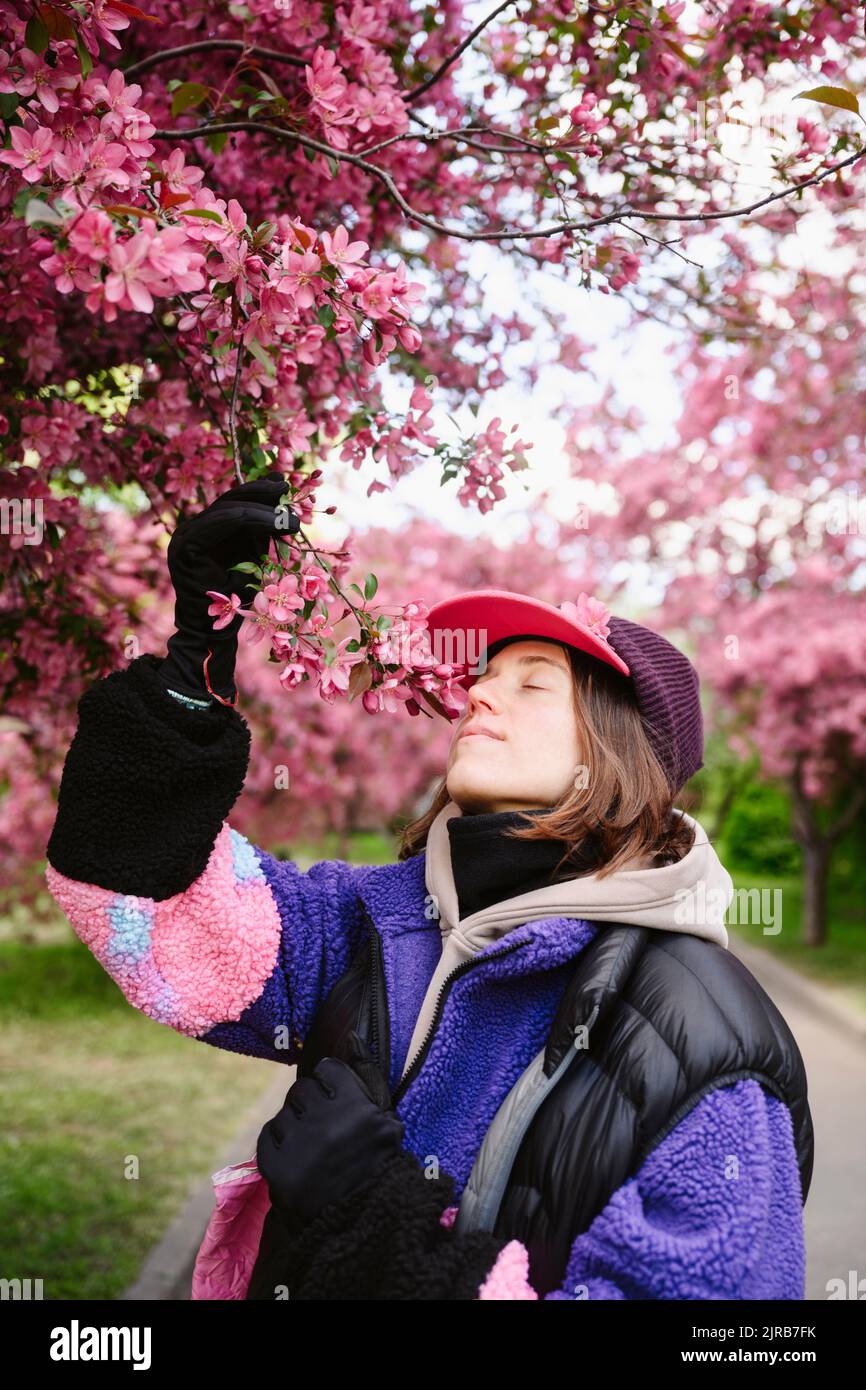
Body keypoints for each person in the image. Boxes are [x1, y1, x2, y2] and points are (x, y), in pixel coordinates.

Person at [44, 479, 814, 1301]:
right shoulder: (374, 921)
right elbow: (145, 904)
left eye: (532, 682)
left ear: (616, 753)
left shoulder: (706, 1046)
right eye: (484, 676)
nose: (476, 692)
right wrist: (188, 680)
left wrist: (375, 1219)